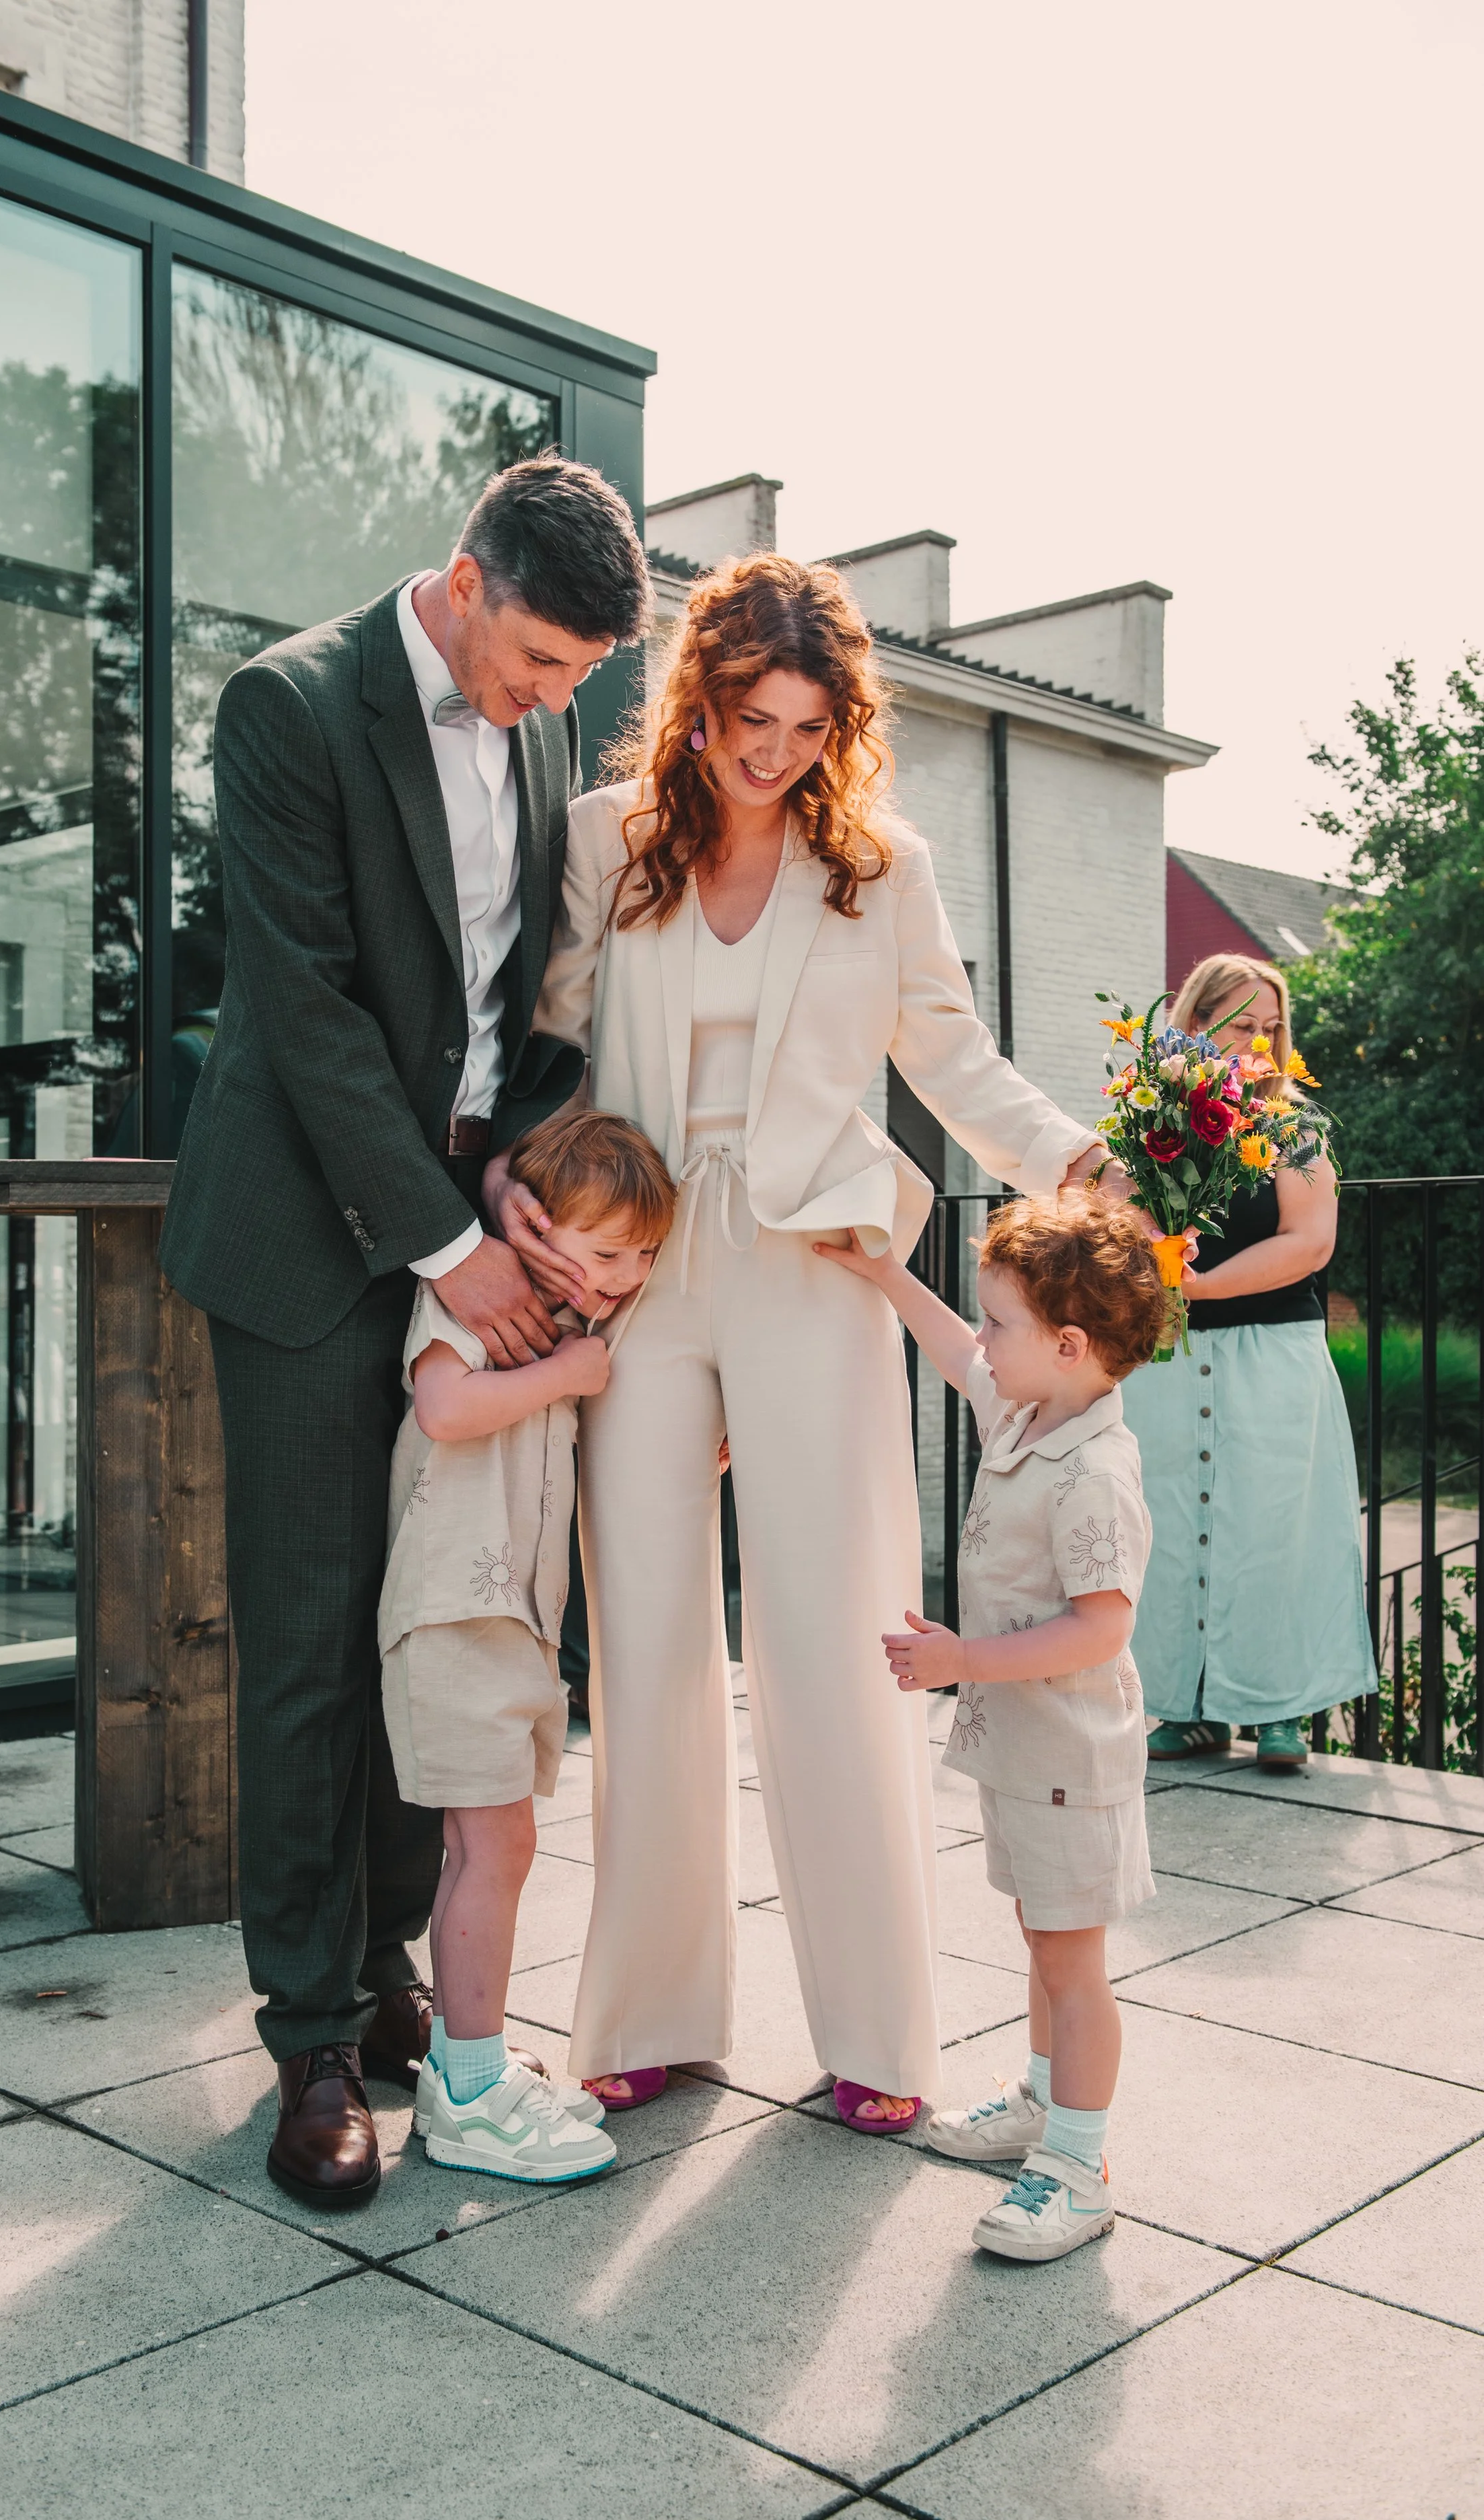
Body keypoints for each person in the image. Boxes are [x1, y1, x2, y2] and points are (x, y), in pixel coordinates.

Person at [494, 552, 1111, 2131]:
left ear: (843, 724)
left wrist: (1076, 1168)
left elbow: (953, 1058)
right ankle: (648, 2012)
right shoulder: (601, 843)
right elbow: (548, 1049)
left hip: (815, 1260)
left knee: (835, 1644)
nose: (771, 750)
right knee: (644, 1644)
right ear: (696, 699)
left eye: (805, 724)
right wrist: (514, 1194)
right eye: (746, 716)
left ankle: (874, 2042)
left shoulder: (881, 866)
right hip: (638, 1273)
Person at [159, 456, 653, 2208]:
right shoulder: (284, 705)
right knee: (304, 1641)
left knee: (412, 1632)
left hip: (457, 1214)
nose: (547, 707)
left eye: (572, 684)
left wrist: (518, 1181)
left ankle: (380, 1968)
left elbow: (509, 1007)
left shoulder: (529, 733)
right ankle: (306, 2035)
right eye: (532, 666)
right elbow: (302, 1010)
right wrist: (454, 1250)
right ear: (459, 581)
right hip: (308, 1236)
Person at [821, 1194, 1165, 2260]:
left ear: (1067, 1345)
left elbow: (1099, 1629)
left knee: (1073, 1961)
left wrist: (963, 1658)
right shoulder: (1030, 1409)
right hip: (1027, 1752)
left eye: (1003, 1324)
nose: (986, 1340)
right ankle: (1043, 2101)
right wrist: (883, 1277)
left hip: (1073, 1756)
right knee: (1041, 1938)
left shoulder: (1094, 1472)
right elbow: (956, 1349)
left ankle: (1079, 2161)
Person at [382, 1111, 672, 2181]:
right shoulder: (483, 1304)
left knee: (489, 1850)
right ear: (540, 1229)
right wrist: (570, 1375)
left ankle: (472, 2067)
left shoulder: (560, 1325)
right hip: (455, 1613)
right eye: (605, 1254)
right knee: (493, 1850)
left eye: (644, 1257)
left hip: (508, 1624)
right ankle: (466, 2089)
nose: (625, 1277)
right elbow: (446, 1408)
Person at [1124, 953, 1377, 1771]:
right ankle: (1184, 1705)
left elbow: (1311, 1242)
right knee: (1169, 1520)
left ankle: (1278, 1710)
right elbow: (1116, 1216)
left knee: (1273, 1526)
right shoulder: (1146, 1119)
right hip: (1169, 1356)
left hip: (1273, 1351)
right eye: (1243, 1026)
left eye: (1272, 1029)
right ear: (1193, 1025)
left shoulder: (1295, 1129)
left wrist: (1197, 1284)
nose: (1262, 1045)